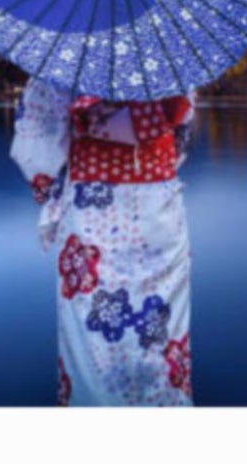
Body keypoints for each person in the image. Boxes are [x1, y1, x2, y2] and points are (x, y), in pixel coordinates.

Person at [10, 79, 197, 407]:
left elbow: (37, 142)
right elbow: (180, 135)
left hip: (94, 210)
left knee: (92, 344)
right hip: (160, 209)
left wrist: (51, 188)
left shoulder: (65, 60)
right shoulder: (168, 58)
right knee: (161, 332)